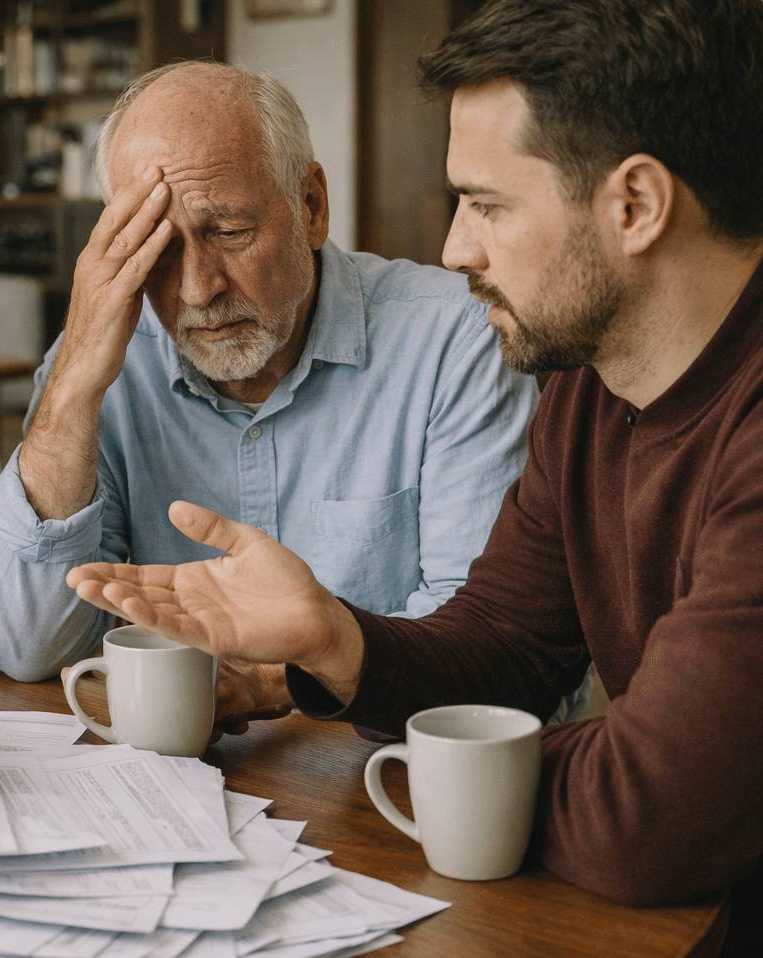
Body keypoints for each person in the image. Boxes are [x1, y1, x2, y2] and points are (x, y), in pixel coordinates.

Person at [66, 0, 763, 950]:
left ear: (633, 205)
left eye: (487, 204)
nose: (454, 249)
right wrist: (332, 639)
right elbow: (506, 650)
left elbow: (648, 816)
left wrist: (540, 774)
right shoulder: (592, 389)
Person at [0, 62, 538, 729]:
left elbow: (482, 652)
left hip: (382, 783)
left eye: (229, 232)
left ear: (312, 206)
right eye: (157, 248)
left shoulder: (455, 338)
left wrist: (278, 682)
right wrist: (71, 388)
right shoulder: (102, 366)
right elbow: (24, 647)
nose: (195, 290)